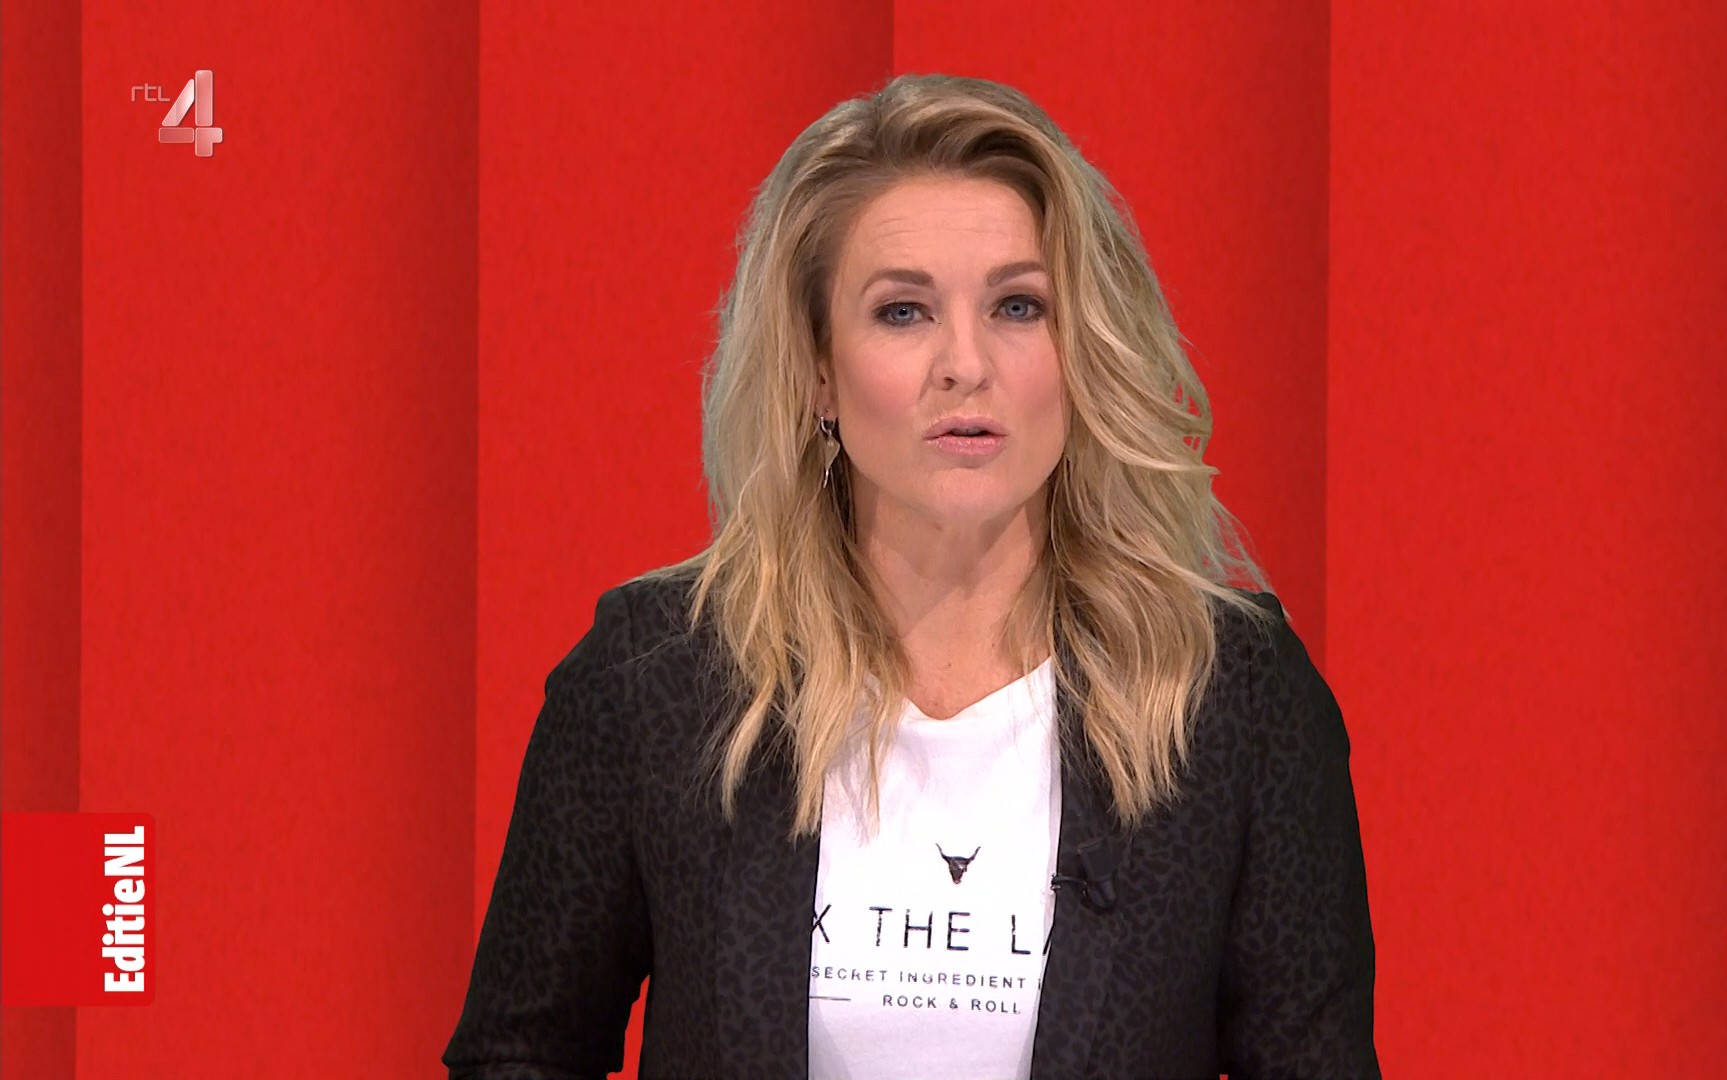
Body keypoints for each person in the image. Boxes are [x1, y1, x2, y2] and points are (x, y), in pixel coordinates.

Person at [442, 72, 1380, 1080]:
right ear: (818, 370)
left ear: (1082, 353)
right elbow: (517, 1056)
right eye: (903, 312)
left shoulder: (1232, 696)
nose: (965, 363)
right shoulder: (657, 679)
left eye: (1019, 306)